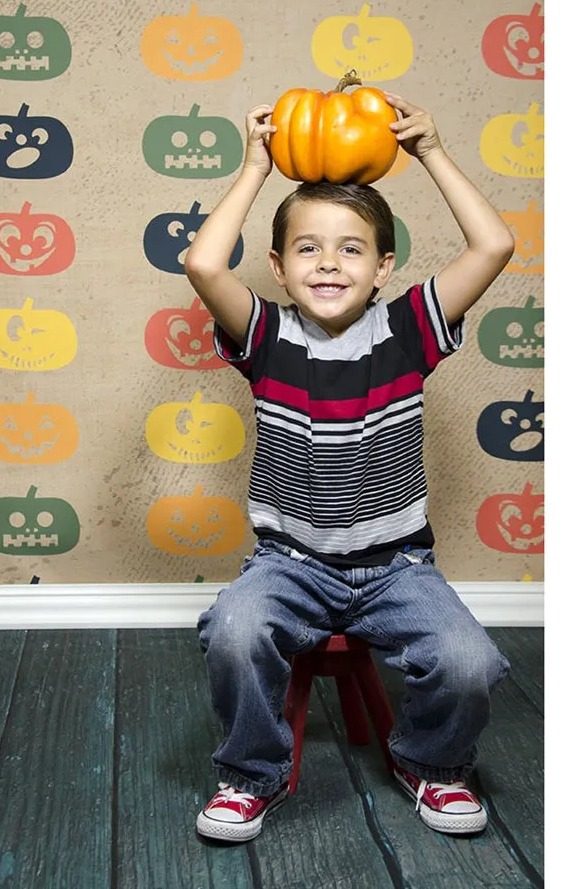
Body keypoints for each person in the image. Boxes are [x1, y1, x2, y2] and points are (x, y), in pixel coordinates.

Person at [184, 93, 516, 842]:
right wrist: (255, 166)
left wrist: (429, 151)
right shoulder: (266, 335)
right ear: (277, 264)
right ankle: (250, 777)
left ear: (383, 265)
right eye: (307, 248)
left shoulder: (409, 330)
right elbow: (204, 261)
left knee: (469, 661)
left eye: (351, 248)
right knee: (234, 633)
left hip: (397, 568)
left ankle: (431, 764)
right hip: (289, 564)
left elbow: (493, 246)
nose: (328, 262)